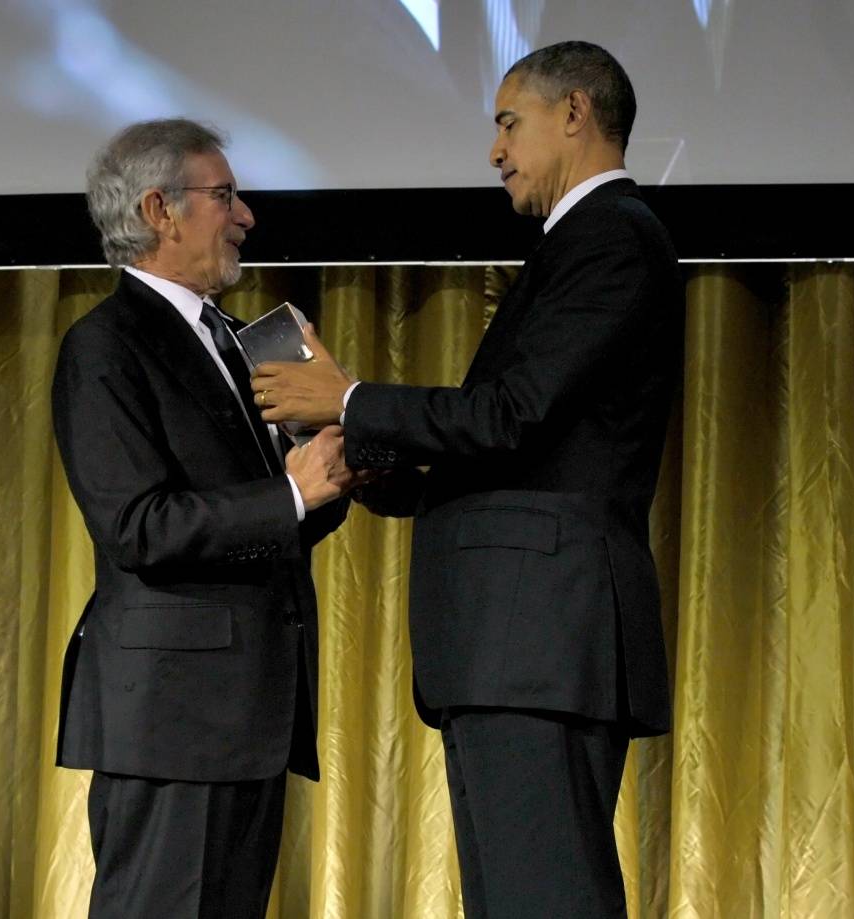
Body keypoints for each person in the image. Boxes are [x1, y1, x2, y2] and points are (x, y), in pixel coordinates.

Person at [252, 42, 684, 918]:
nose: (495, 152)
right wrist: (372, 460)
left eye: (507, 123)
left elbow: (512, 414)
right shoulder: (580, 245)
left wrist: (357, 397)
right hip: (514, 649)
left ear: (575, 112)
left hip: (541, 644)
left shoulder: (612, 238)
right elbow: (523, 447)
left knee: (546, 898)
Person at [50, 118, 353, 919]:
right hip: (172, 720)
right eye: (224, 196)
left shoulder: (236, 341)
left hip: (250, 712)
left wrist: (334, 459)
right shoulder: (105, 346)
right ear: (159, 209)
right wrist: (289, 495)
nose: (246, 216)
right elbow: (138, 526)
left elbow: (282, 512)